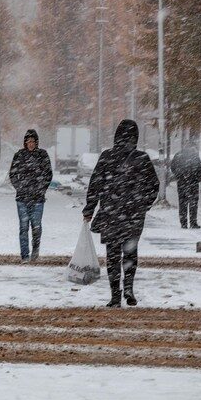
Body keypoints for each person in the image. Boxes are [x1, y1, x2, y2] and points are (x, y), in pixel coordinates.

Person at [82, 119, 159, 307]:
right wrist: (143, 205)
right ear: (136, 137)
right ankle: (129, 288)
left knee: (113, 255)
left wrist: (90, 208)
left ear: (116, 135)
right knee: (130, 252)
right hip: (133, 215)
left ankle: (115, 295)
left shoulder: (107, 156)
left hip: (111, 213)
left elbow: (95, 184)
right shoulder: (142, 158)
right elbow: (154, 186)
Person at [9, 129, 53, 262]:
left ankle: (35, 252)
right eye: (28, 141)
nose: (31, 144)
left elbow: (48, 174)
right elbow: (12, 174)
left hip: (38, 198)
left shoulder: (42, 155)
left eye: (33, 141)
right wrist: (20, 187)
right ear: (25, 142)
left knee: (36, 226)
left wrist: (41, 189)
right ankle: (24, 256)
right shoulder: (19, 155)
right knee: (23, 227)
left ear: (37, 142)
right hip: (22, 198)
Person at [171, 139, 201, 229]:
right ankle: (193, 223)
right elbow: (200, 169)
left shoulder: (178, 155)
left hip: (182, 183)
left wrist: (179, 176)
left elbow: (173, 167)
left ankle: (183, 223)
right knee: (193, 203)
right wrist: (196, 178)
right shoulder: (195, 156)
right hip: (193, 183)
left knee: (182, 203)